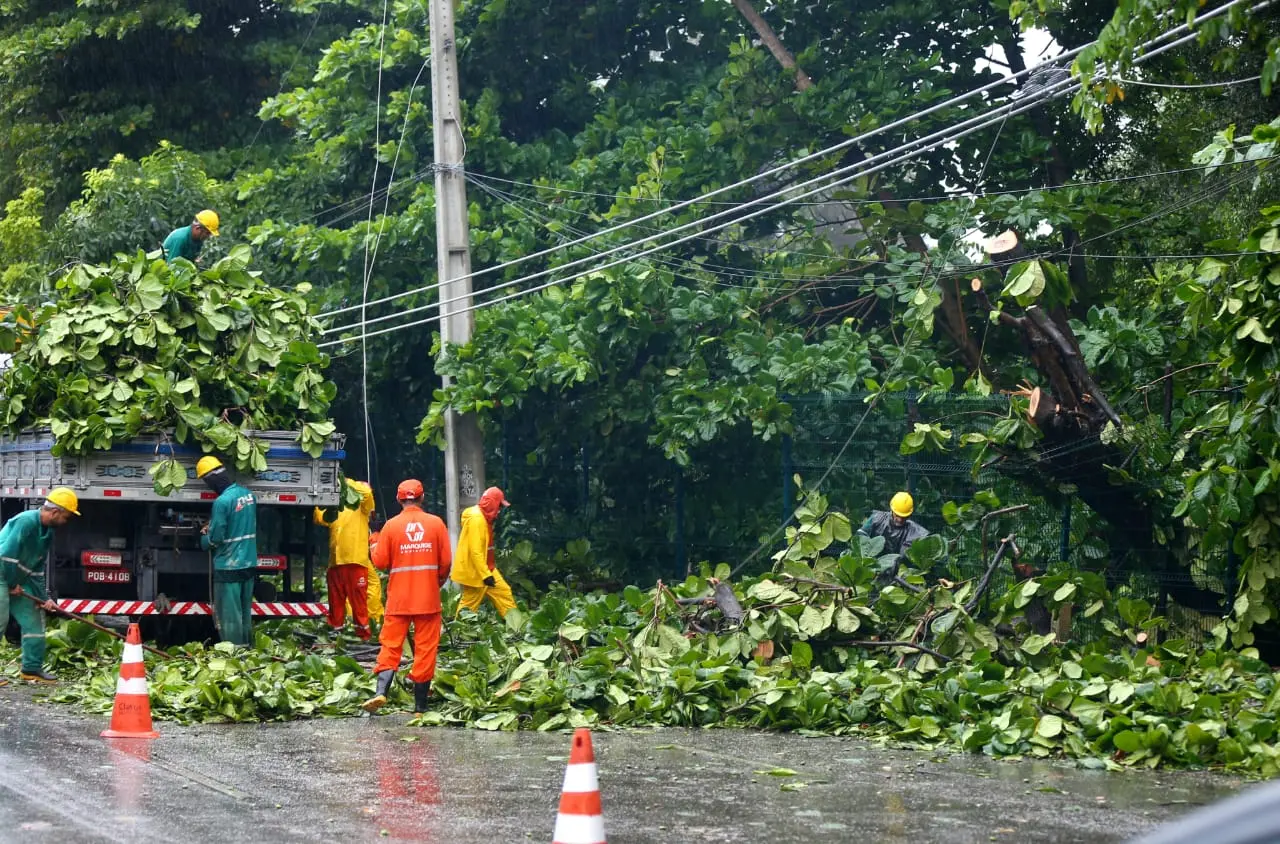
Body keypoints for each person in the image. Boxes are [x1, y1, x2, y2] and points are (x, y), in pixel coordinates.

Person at [363, 480, 452, 717]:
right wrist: (437, 583)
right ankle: (420, 708)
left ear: (399, 499)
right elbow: (445, 564)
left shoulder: (391, 526)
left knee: (391, 646)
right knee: (425, 651)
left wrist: (374, 537)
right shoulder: (436, 524)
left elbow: (380, 563)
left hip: (399, 601)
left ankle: (381, 692)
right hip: (427, 600)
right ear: (422, 498)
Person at [0, 488, 79, 684]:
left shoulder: (48, 533)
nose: (66, 522)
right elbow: (6, 557)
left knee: (34, 620)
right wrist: (10, 586)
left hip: (18, 579)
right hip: (2, 575)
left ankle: (31, 669)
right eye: (66, 517)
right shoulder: (25, 522)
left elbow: (36, 570)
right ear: (55, 512)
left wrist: (44, 598)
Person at [197, 455, 257, 646]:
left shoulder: (222, 502)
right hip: (248, 563)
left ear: (210, 480)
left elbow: (216, 539)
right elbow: (237, 523)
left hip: (228, 566)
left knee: (229, 616)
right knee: (245, 612)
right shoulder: (248, 495)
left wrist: (203, 539)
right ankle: (248, 650)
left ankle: (235, 655)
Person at [315, 478, 376, 640]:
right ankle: (337, 633)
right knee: (335, 602)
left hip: (355, 561)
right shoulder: (337, 509)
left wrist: (345, 481)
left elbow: (367, 493)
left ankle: (363, 635)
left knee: (359, 603)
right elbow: (320, 517)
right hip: (336, 562)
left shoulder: (363, 508)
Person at [452, 486, 516, 618]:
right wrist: (485, 575)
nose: (499, 511)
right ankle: (458, 632)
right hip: (477, 572)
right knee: (468, 606)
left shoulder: (483, 518)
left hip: (486, 568)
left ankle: (515, 626)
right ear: (492, 504)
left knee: (504, 593)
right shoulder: (477, 520)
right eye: (499, 506)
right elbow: (476, 551)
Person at [857, 491, 930, 569]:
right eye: (897, 515)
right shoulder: (876, 519)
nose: (900, 520)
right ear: (892, 510)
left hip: (900, 575)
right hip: (872, 568)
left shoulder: (916, 532)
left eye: (904, 517)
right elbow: (860, 538)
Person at [365, 512, 386, 629]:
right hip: (361, 559)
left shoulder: (373, 536)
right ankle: (376, 617)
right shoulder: (375, 537)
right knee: (374, 584)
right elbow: (377, 558)